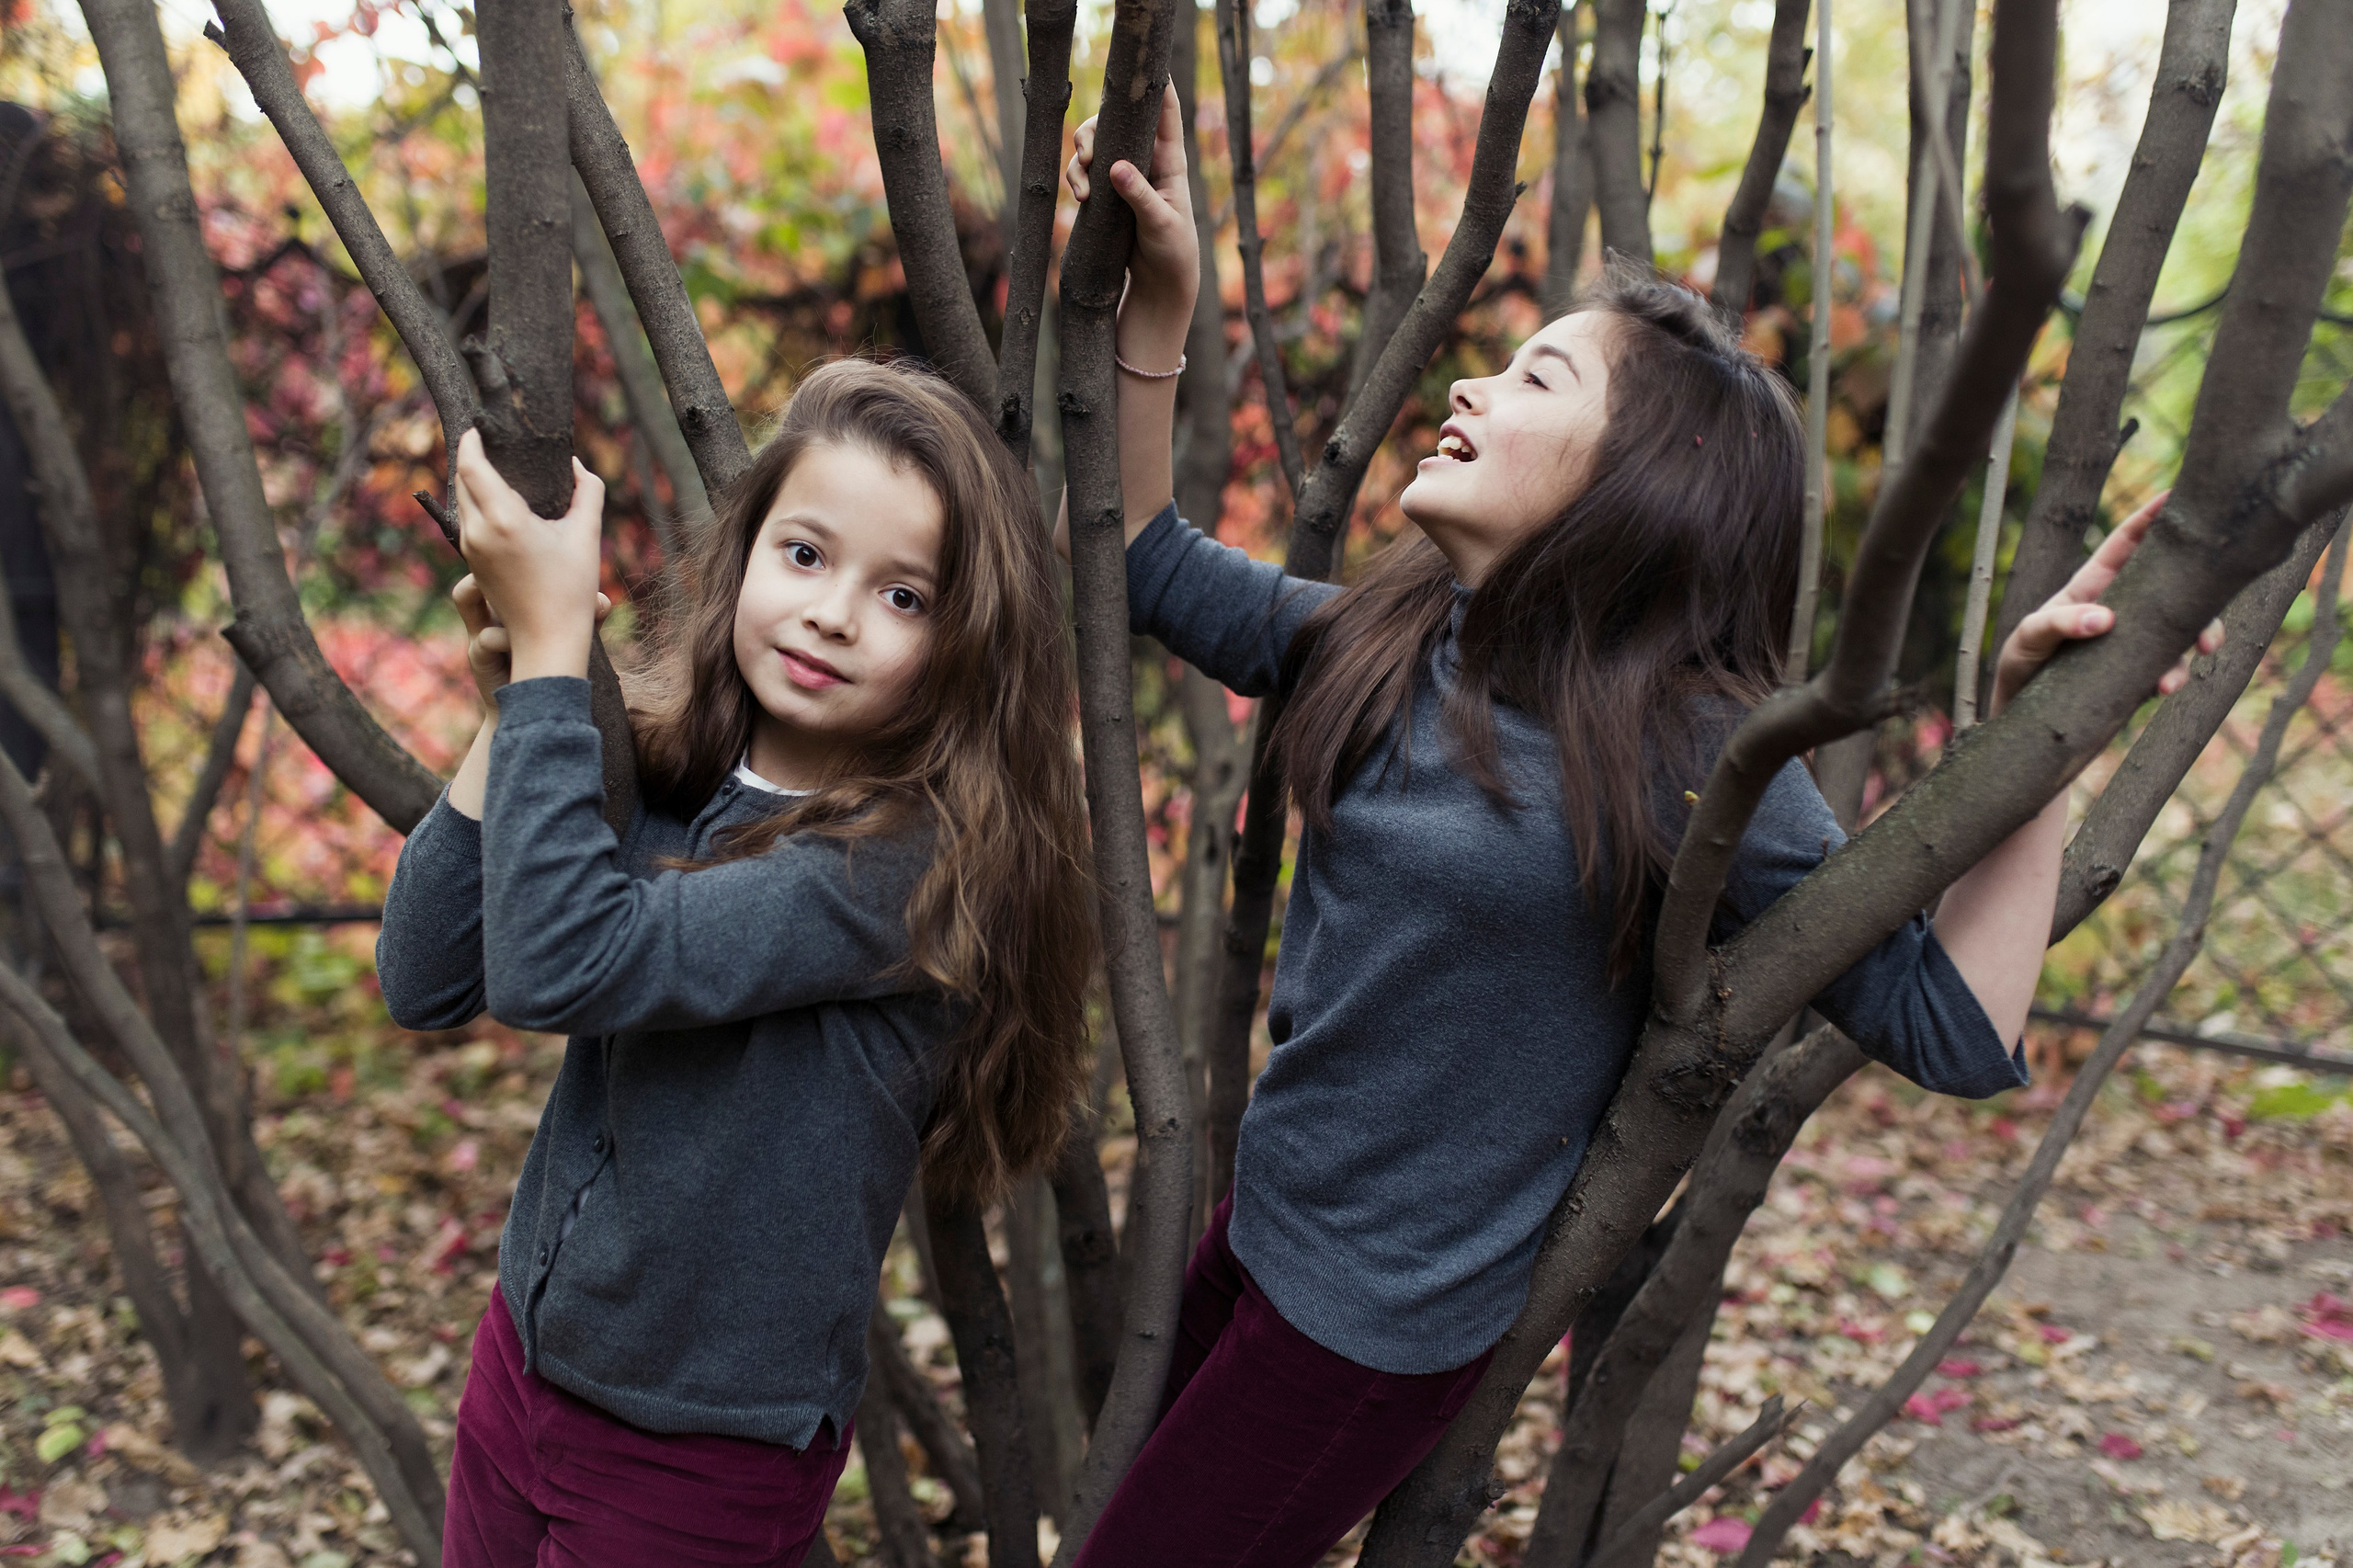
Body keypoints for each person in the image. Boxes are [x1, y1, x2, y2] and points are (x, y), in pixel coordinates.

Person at [1060, 92, 2222, 1567]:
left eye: (1536, 375)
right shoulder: (1391, 637)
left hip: (1373, 1323)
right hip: (1262, 1224)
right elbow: (1147, 560)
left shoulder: (1687, 755)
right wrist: (1162, 305)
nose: (1472, 386)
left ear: (1642, 486)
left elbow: (1951, 1026)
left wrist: (2033, 750)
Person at [376, 358, 1094, 1567]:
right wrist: (518, 711)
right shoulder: (663, 752)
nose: (831, 611)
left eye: (905, 596)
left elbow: (565, 966)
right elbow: (424, 973)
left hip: (699, 1450)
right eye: (805, 555)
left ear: (969, 646)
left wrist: (557, 649)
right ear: (746, 551)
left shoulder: (908, 870)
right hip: (528, 1360)